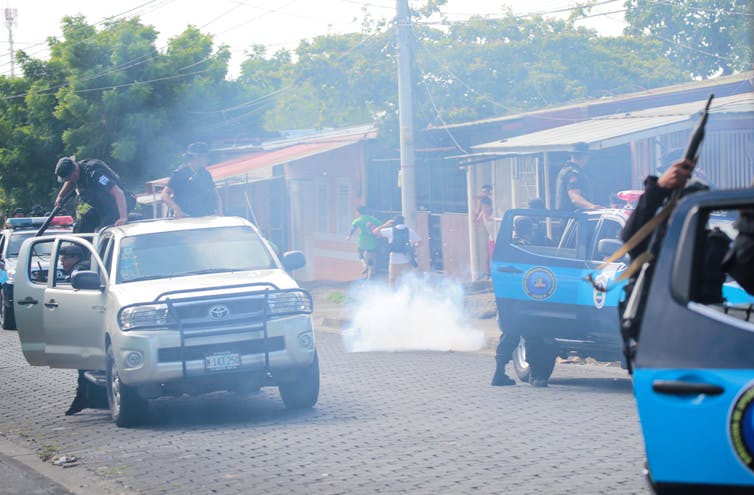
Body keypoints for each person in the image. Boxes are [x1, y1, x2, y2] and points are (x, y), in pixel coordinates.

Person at [57, 243, 105, 416]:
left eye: (64, 259)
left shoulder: (81, 270)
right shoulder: (79, 269)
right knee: (83, 363)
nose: (62, 263)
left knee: (85, 363)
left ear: (75, 258)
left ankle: (85, 397)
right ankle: (86, 397)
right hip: (89, 322)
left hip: (91, 322)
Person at [54, 156, 132, 233]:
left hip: (117, 207)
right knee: (81, 227)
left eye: (68, 178)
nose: (68, 181)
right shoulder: (77, 170)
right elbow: (69, 182)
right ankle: (80, 245)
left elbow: (118, 193)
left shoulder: (95, 174)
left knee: (104, 233)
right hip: (101, 207)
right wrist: (60, 196)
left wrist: (123, 218)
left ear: (74, 173)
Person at [161, 142, 222, 218]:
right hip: (185, 219)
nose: (208, 159)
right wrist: (176, 209)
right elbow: (165, 194)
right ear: (196, 157)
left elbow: (216, 195)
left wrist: (220, 213)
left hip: (206, 217)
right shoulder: (179, 174)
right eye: (206, 156)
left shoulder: (206, 174)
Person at [373, 215, 421, 287]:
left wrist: (385, 225)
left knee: (393, 280)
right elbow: (420, 243)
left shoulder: (390, 230)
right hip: (407, 259)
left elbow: (375, 232)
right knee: (408, 280)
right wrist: (412, 246)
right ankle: (409, 295)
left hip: (394, 260)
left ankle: (393, 295)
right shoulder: (410, 231)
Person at [555, 142, 601, 211]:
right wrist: (592, 206)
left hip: (571, 217)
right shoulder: (573, 173)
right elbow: (575, 198)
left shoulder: (567, 170)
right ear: (585, 156)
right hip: (573, 217)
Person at [347, 205, 382, 279]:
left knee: (360, 255)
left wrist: (349, 235)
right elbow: (380, 225)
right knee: (370, 258)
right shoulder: (371, 219)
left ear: (359, 212)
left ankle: (364, 265)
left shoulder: (358, 220)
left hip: (362, 241)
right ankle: (370, 275)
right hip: (372, 241)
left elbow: (353, 228)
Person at [474, 185, 495, 277]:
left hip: (499, 239)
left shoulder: (496, 213)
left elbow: (492, 199)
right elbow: (476, 221)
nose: (485, 209)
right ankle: (490, 275)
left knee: (497, 259)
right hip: (491, 239)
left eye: (487, 207)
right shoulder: (482, 213)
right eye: (484, 207)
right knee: (491, 257)